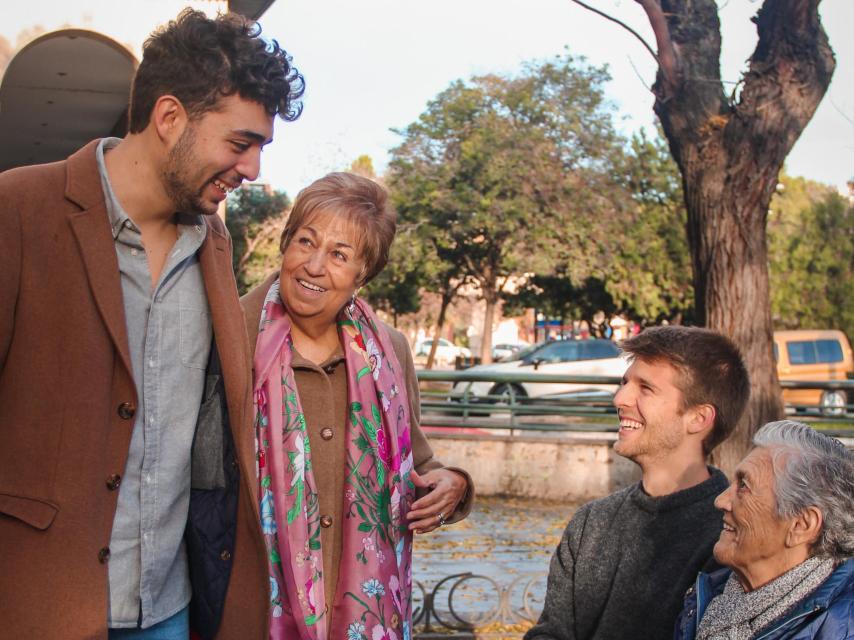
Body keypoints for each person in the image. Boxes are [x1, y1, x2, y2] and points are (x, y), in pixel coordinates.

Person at [0, 9, 303, 640]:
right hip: (37, 604)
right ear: (169, 119)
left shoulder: (215, 245)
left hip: (171, 609)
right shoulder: (18, 211)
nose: (252, 171)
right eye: (240, 142)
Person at [241, 172, 474, 639]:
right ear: (285, 244)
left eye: (339, 255)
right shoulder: (231, 336)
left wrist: (453, 484)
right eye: (305, 242)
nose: (314, 265)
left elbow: (418, 462)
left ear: (362, 273)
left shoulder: (388, 352)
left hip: (363, 616)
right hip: (251, 612)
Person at [525, 326, 750, 640]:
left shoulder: (731, 535)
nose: (620, 398)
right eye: (624, 382)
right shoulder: (591, 522)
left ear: (698, 418)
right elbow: (551, 632)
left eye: (645, 388)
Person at [674, 420, 854, 640]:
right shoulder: (708, 599)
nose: (721, 501)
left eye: (743, 486)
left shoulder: (842, 628)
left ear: (802, 525)